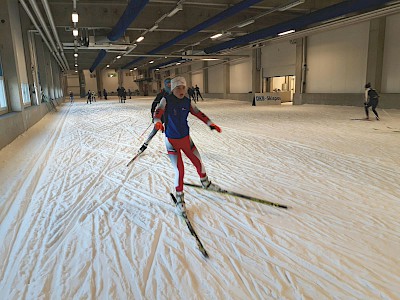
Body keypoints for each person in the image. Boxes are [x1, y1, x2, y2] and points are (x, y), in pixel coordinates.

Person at [153, 76, 222, 215]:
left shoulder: (187, 101)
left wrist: (210, 123)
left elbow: (198, 113)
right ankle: (180, 199)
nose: (181, 90)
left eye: (183, 87)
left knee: (198, 161)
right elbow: (157, 112)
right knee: (180, 170)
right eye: (178, 87)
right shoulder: (166, 100)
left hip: (186, 139)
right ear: (172, 89)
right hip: (172, 141)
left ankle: (206, 183)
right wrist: (158, 122)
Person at [139, 78, 172, 153]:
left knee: (171, 133)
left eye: (170, 83)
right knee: (154, 131)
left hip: (170, 117)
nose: (169, 85)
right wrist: (153, 116)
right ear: (165, 84)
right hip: (161, 117)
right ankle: (145, 144)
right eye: (168, 83)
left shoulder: (174, 94)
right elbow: (154, 105)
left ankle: (172, 148)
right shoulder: (161, 95)